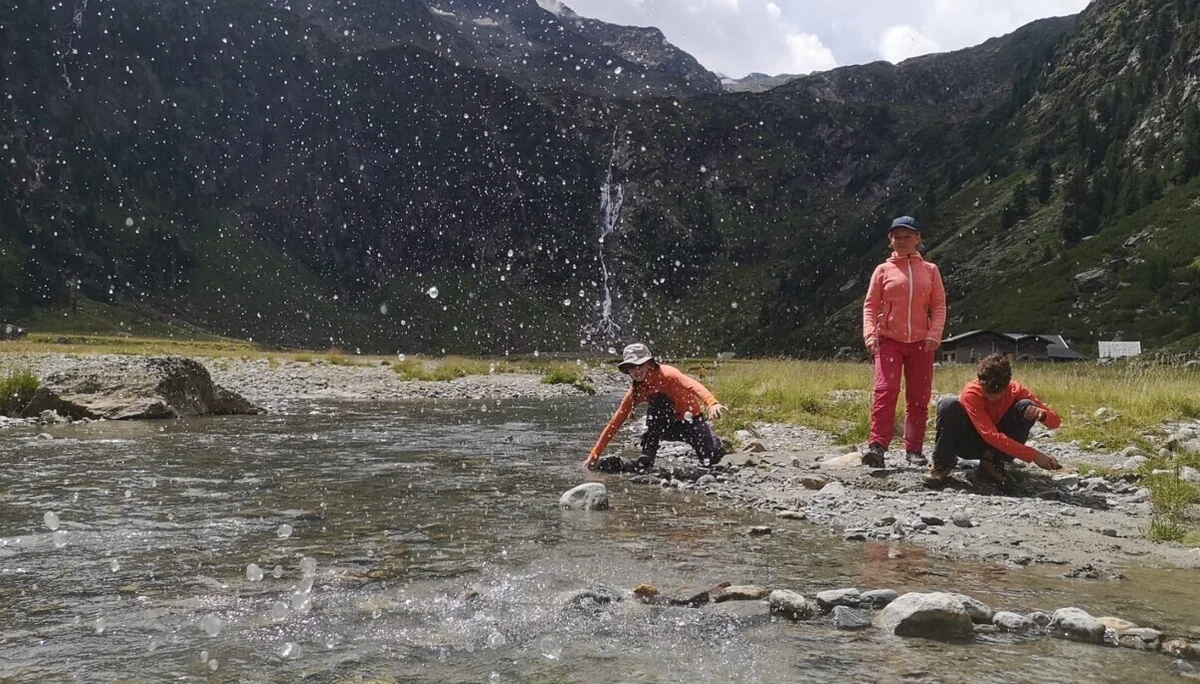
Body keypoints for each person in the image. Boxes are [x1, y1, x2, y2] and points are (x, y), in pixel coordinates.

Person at [861, 215, 947, 468]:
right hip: (888, 340)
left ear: (918, 238)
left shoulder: (930, 270)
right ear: (891, 240)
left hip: (922, 343)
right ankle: (877, 446)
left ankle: (914, 449)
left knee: (919, 397)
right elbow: (870, 305)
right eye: (896, 237)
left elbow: (939, 305)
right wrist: (869, 334)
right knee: (885, 391)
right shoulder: (882, 270)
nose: (901, 241)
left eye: (907, 236)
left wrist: (934, 333)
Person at [925, 353, 1063, 491]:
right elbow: (989, 435)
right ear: (980, 381)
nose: (992, 398)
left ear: (1007, 384)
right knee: (947, 404)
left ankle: (992, 462)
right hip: (969, 442)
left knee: (1027, 405)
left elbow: (1055, 422)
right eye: (987, 392)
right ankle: (942, 463)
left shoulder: (1016, 390)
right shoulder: (972, 392)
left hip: (998, 447)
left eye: (997, 393)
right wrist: (1034, 455)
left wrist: (1042, 415)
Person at [583, 343, 727, 473]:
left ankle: (714, 441)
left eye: (640, 365)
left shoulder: (668, 374)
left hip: (692, 422)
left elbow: (692, 384)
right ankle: (647, 459)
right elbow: (614, 424)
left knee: (713, 458)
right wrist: (594, 456)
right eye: (632, 367)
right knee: (658, 402)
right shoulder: (636, 391)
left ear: (649, 364)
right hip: (666, 427)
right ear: (627, 370)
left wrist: (712, 403)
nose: (636, 371)